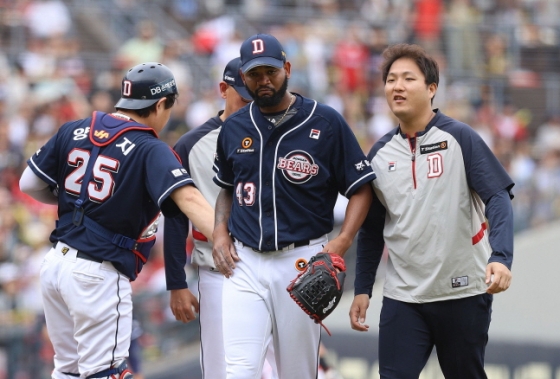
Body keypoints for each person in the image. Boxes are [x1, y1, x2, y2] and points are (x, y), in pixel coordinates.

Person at [19, 62, 215, 379]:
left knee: (68, 371)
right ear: (161, 103)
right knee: (107, 373)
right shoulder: (150, 147)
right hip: (96, 274)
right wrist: (228, 237)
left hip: (56, 265)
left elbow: (28, 183)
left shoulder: (75, 129)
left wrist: (80, 201)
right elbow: (190, 200)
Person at [212, 34, 376, 379]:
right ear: (243, 78)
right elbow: (227, 188)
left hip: (301, 261)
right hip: (244, 262)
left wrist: (342, 241)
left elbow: (361, 189)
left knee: (297, 373)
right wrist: (218, 233)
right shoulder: (234, 128)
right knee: (238, 370)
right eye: (255, 74)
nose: (264, 80)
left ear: (287, 69)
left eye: (270, 71)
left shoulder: (325, 121)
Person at [349, 43, 514, 378]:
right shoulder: (379, 154)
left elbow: (498, 196)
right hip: (403, 297)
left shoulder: (461, 138)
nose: (397, 86)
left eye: (408, 78)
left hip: (464, 291)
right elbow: (371, 229)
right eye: (391, 79)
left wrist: (501, 256)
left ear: (431, 88)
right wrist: (363, 288)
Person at [163, 57, 278, 379]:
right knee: (221, 371)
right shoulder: (191, 144)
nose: (250, 103)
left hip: (276, 267)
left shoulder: (278, 133)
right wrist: (176, 282)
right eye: (243, 95)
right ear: (223, 89)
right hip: (220, 273)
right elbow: (175, 216)